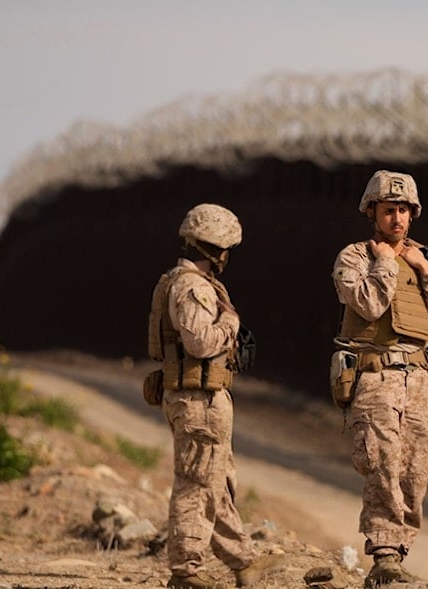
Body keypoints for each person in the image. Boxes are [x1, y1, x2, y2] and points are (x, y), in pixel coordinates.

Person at [330, 170, 428, 587]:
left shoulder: (423, 259)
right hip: (376, 375)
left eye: (403, 210)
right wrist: (385, 262)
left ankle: (400, 552)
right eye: (389, 210)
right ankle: (384, 555)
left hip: (418, 380)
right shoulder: (355, 257)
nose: (397, 219)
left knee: (416, 468)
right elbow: (367, 305)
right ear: (373, 213)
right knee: (382, 464)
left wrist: (423, 270)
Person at [147, 203, 282, 589]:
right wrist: (230, 321)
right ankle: (186, 571)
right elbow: (201, 341)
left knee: (215, 482)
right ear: (218, 249)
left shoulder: (182, 282)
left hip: (201, 397)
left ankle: (243, 562)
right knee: (195, 483)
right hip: (198, 399)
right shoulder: (192, 286)